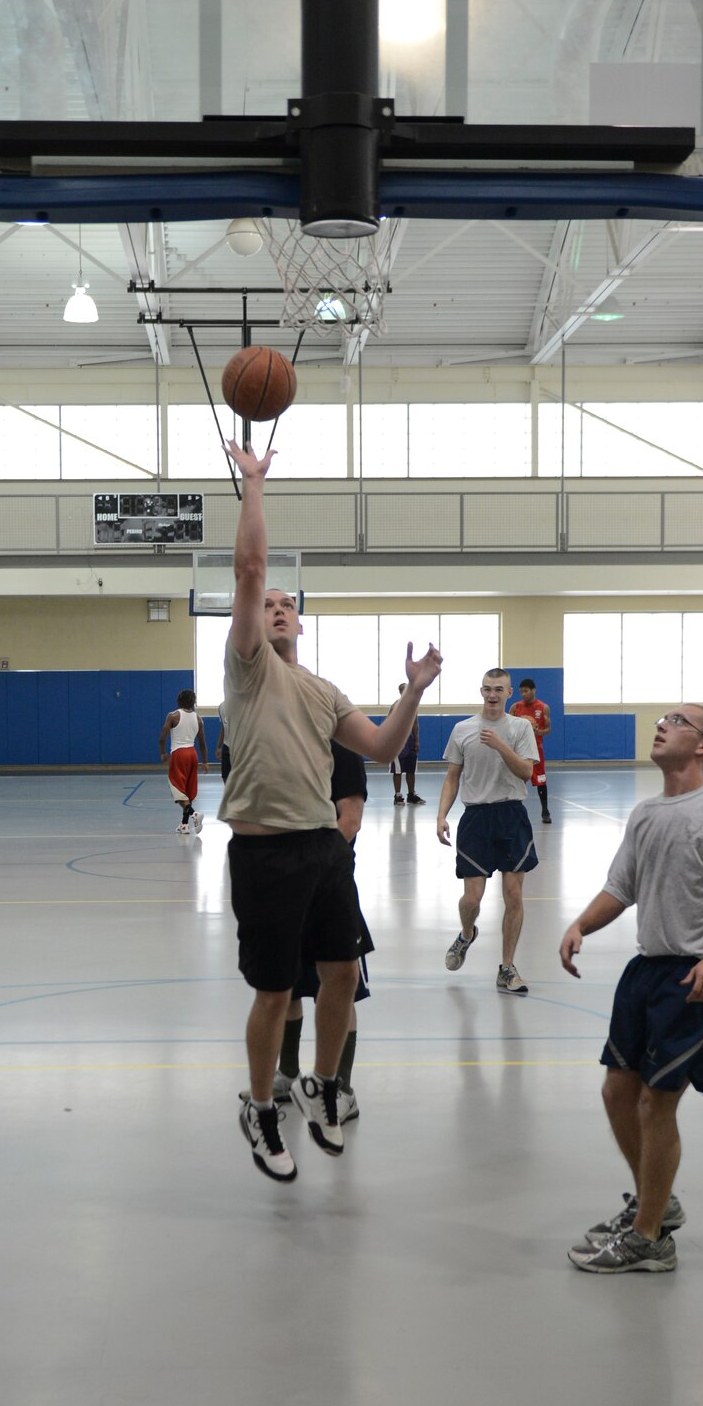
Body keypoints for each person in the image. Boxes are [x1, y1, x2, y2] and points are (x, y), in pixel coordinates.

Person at [220, 438, 441, 1184]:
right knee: (275, 989)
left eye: (289, 606)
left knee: (341, 973)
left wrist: (411, 690)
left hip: (321, 848)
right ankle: (258, 1106)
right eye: (269, 604)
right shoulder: (247, 670)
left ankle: (320, 1084)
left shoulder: (322, 690)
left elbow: (380, 748)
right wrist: (253, 484)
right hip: (265, 852)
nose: (277, 608)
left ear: (303, 625)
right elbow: (249, 569)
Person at [559, 705, 703, 1275]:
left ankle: (649, 1236)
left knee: (657, 1102)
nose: (663, 722)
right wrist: (581, 923)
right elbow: (620, 886)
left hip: (695, 976)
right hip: (645, 971)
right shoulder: (646, 813)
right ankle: (657, 1202)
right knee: (616, 1094)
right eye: (665, 716)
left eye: (679, 720)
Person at [266, 739, 371, 1124]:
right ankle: (288, 1074)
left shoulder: (342, 752)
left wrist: (309, 864)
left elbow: (350, 820)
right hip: (286, 888)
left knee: (341, 990)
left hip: (329, 886)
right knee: (288, 985)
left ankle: (340, 1089)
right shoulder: (285, 749)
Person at [437, 669, 539, 995]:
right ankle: (467, 933)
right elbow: (452, 777)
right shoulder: (463, 729)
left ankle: (507, 968)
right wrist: (441, 815)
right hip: (476, 818)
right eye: (487, 689)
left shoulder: (520, 727)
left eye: (499, 689)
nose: (493, 695)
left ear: (510, 693)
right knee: (472, 898)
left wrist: (500, 746)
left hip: (511, 815)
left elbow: (526, 772)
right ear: (481, 691)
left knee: (513, 896)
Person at [159, 688, 207, 835]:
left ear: (179, 700)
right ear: (193, 702)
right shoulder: (198, 719)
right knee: (187, 789)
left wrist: (162, 752)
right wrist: (205, 761)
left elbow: (162, 737)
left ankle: (194, 814)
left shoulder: (173, 716)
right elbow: (202, 743)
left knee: (177, 788)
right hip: (192, 754)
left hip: (179, 754)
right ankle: (185, 825)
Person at [510, 676, 552, 825]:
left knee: (541, 780)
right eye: (521, 692)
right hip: (519, 751)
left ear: (533, 690)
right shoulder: (515, 707)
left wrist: (537, 731)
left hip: (536, 750)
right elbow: (509, 726)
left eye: (526, 691)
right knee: (516, 780)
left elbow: (548, 729)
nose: (523, 694)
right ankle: (513, 812)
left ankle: (545, 811)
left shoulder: (543, 707)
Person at [387, 683, 424, 805]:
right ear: (401, 692)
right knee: (398, 769)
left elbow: (415, 723)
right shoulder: (396, 705)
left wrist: (417, 740)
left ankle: (411, 794)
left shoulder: (413, 705)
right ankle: (397, 795)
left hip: (410, 741)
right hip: (398, 741)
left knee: (411, 768)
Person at [214, 701, 232, 786]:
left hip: (240, 746)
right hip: (226, 745)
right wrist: (218, 746)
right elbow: (223, 728)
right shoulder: (221, 706)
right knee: (225, 776)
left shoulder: (242, 704)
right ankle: (230, 796)